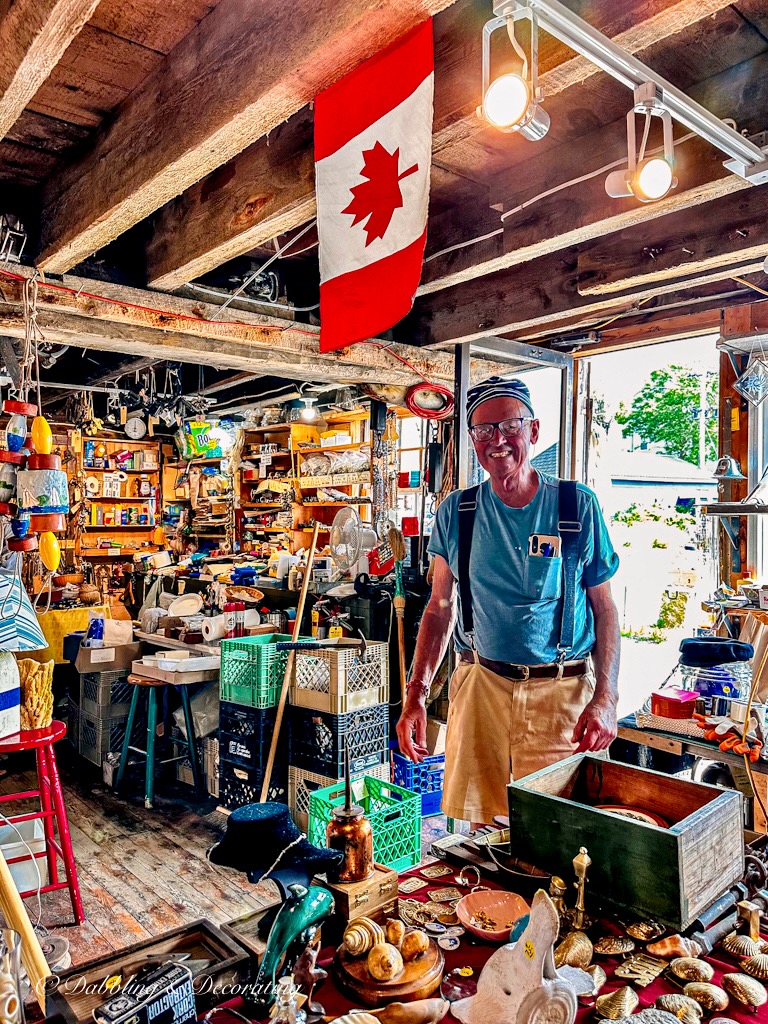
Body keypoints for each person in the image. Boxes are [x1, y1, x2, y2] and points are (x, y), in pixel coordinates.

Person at [396, 376, 620, 824]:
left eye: (509, 426)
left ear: (533, 431)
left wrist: (607, 697)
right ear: (473, 440)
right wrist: (416, 695)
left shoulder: (577, 507)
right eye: (482, 430)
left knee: (561, 831)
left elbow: (605, 608)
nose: (497, 440)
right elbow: (440, 607)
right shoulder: (458, 511)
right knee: (483, 833)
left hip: (562, 695)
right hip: (481, 688)